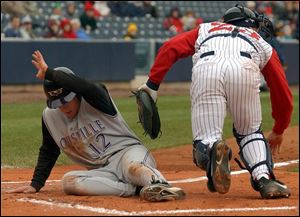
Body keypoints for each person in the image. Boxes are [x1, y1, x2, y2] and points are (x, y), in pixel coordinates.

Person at [137, 4, 293, 199]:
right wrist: (279, 128)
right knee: (250, 132)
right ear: (249, 23)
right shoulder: (260, 41)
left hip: (208, 68)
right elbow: (282, 91)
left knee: (206, 138)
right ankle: (264, 179)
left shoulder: (206, 28)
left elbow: (170, 47)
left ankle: (213, 151)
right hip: (244, 68)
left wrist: (152, 85)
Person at [7, 50, 185, 202]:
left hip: (128, 154)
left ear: (75, 92)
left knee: (134, 169)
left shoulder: (95, 97)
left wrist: (49, 73)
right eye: (57, 103)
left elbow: (85, 86)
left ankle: (159, 184)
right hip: (102, 172)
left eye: (67, 100)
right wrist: (35, 184)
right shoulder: (50, 117)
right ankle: (134, 190)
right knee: (69, 182)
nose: (63, 106)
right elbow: (49, 150)